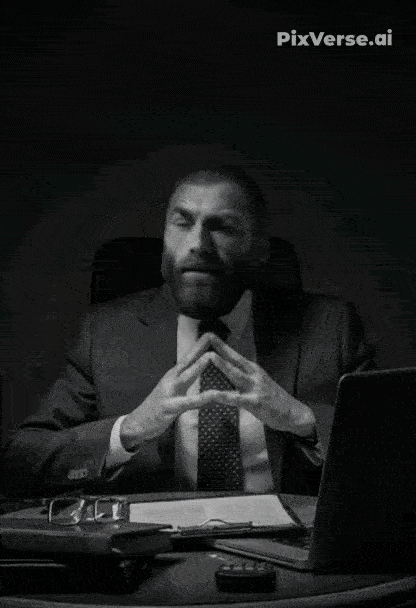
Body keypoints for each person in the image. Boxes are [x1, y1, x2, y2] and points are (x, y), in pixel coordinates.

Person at [1, 166, 374, 498]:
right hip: (152, 545)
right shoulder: (105, 333)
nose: (198, 244)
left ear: (259, 249)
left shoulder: (331, 327)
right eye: (182, 223)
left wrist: (303, 421)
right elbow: (21, 460)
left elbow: (391, 454)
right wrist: (128, 430)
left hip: (285, 542)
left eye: (222, 227)